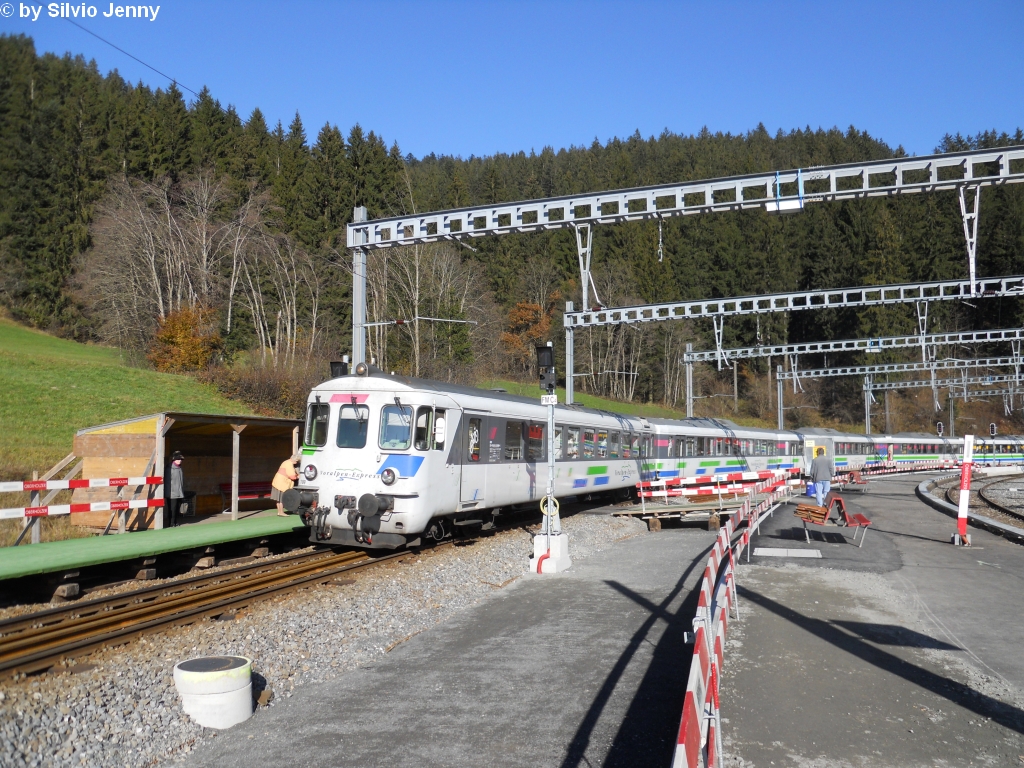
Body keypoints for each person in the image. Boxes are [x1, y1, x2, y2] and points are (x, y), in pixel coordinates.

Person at [168, 451, 185, 527]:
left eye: (180, 459)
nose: (180, 461)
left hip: (178, 492)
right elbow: (168, 482)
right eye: (178, 459)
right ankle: (171, 523)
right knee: (172, 509)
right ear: (174, 460)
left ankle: (175, 521)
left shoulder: (179, 468)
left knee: (177, 508)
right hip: (172, 492)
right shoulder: (170, 469)